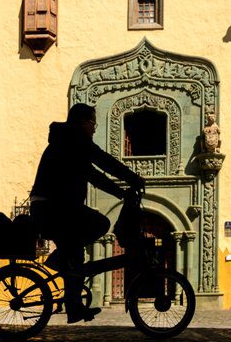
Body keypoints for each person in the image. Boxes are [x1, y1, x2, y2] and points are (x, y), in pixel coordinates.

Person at [30, 103, 146, 323]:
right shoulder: (73, 141)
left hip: (57, 208)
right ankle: (58, 259)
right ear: (84, 122)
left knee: (76, 259)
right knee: (100, 224)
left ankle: (74, 307)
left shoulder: (68, 140)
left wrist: (122, 189)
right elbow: (102, 163)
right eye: (93, 123)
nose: (94, 128)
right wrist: (131, 182)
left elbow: (93, 171)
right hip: (53, 208)